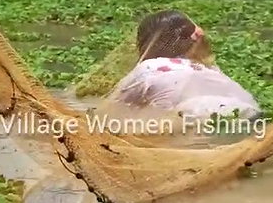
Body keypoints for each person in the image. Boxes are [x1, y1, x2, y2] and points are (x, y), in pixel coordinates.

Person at [108, 10, 260, 120]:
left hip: (190, 124)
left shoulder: (148, 69)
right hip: (249, 114)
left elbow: (110, 109)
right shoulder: (208, 68)